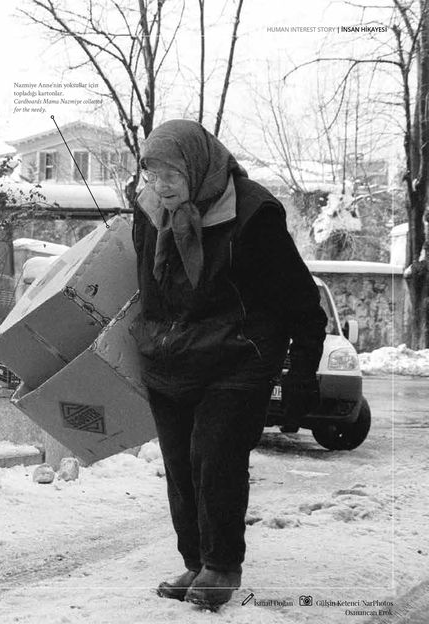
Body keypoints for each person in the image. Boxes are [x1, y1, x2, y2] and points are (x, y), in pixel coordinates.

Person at [130, 120, 326, 610]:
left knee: (214, 459)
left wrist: (300, 373)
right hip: (171, 358)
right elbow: (141, 291)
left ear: (197, 167)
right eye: (151, 172)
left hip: (237, 358)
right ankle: (195, 560)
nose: (160, 184)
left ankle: (221, 566)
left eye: (170, 172)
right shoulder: (149, 212)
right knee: (179, 468)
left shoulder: (253, 214)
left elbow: (301, 301)